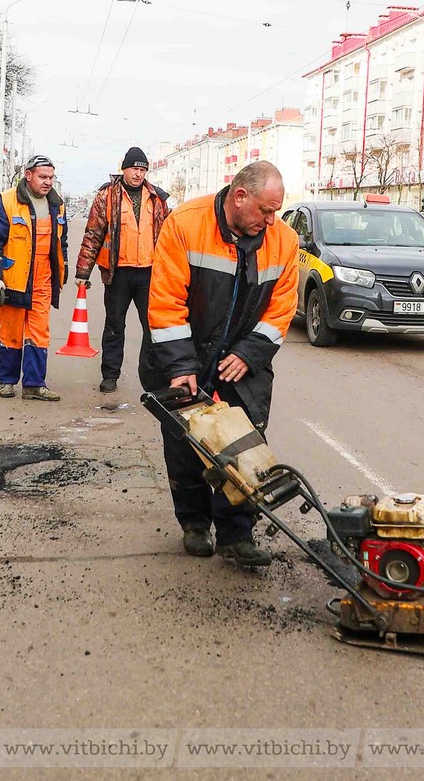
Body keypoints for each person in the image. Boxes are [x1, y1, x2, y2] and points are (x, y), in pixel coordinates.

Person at [148, 161, 299, 567]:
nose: (271, 221)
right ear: (240, 196)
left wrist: (249, 353)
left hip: (242, 358)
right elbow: (165, 303)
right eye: (265, 211)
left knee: (245, 442)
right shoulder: (185, 224)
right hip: (186, 350)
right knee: (186, 443)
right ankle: (195, 524)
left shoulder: (284, 241)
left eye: (276, 212)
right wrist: (181, 364)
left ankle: (236, 534)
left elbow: (282, 308)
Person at [75, 147, 170, 393]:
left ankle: (153, 379)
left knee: (153, 327)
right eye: (134, 169)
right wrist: (83, 272)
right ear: (124, 169)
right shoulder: (107, 196)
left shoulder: (157, 199)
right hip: (118, 273)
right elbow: (93, 234)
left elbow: (169, 238)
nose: (138, 174)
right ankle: (110, 375)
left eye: (142, 170)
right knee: (115, 325)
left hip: (149, 273)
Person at [0, 154, 68, 401]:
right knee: (11, 330)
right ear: (28, 175)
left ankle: (34, 384)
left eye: (51, 177)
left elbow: (61, 243)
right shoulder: (7, 202)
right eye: (43, 177)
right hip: (14, 279)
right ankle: (7, 381)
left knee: (39, 332)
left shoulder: (56, 205)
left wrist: (62, 273)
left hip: (43, 279)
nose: (48, 182)